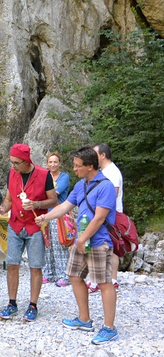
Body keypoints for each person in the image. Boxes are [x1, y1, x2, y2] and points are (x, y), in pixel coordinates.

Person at [36, 146, 119, 344]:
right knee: (74, 276)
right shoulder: (81, 185)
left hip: (98, 241)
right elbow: (66, 206)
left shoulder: (106, 186)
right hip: (82, 240)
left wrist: (81, 240)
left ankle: (109, 328)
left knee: (104, 282)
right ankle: (84, 319)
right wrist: (46, 217)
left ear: (90, 166)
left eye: (77, 166)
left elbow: (100, 218)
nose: (74, 169)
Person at [0, 143, 57, 322]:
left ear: (26, 161)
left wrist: (37, 204)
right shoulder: (12, 173)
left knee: (35, 266)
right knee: (12, 264)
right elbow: (9, 199)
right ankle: (12, 303)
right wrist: (3, 208)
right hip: (15, 224)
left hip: (35, 226)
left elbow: (53, 200)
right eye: (12, 162)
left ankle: (33, 305)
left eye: (17, 162)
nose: (13, 166)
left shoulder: (44, 174)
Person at [87, 144, 123, 294]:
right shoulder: (105, 171)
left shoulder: (112, 172)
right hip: (105, 215)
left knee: (109, 246)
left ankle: (111, 279)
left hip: (110, 216)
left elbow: (112, 195)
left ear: (103, 155)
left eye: (95, 154)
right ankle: (101, 279)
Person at [42, 152, 71, 287]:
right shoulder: (45, 176)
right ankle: (49, 273)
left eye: (55, 162)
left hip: (59, 214)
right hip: (45, 214)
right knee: (47, 245)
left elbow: (54, 193)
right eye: (50, 162)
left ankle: (64, 275)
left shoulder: (64, 177)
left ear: (59, 163)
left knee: (59, 245)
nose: (53, 164)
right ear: (47, 163)